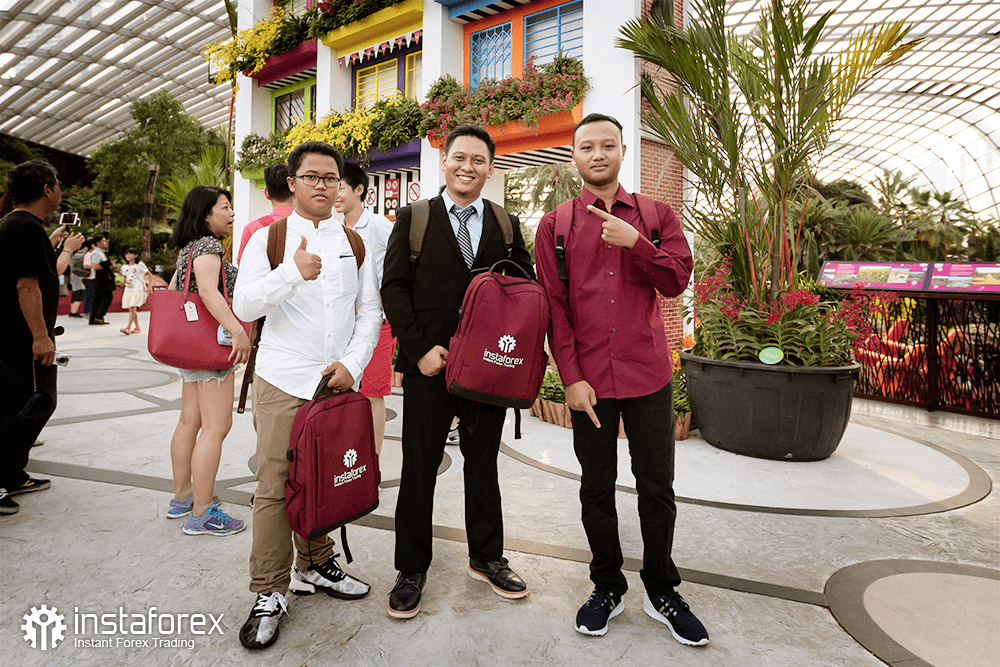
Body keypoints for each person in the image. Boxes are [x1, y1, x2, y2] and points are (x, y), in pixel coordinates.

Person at [534, 114, 708, 645]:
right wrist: (570, 377)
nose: (598, 154)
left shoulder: (656, 215)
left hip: (648, 374)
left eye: (608, 145)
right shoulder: (555, 225)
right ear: (574, 156)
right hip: (590, 381)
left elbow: (677, 281)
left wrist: (637, 243)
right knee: (596, 487)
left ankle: (662, 589)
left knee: (657, 487)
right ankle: (606, 585)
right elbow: (554, 307)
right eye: (587, 147)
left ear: (623, 151)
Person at [381, 124, 535, 619]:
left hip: (487, 371)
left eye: (478, 160)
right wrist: (419, 349)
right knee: (418, 468)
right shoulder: (414, 218)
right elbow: (393, 288)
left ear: (490, 168)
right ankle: (411, 569)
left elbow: (526, 292)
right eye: (459, 158)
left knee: (483, 464)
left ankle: (487, 558)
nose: (468, 167)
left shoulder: (506, 224)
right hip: (429, 368)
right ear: (444, 161)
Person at [233, 141, 382, 650]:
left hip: (333, 382)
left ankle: (316, 564)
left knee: (325, 478)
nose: (322, 185)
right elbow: (244, 303)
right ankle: (269, 590)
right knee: (276, 486)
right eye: (312, 176)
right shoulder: (268, 238)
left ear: (341, 185)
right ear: (292, 182)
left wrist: (353, 364)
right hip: (282, 381)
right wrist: (292, 273)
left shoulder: (354, 242)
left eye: (330, 177)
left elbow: (370, 311)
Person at [0, 160, 84, 515]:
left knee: (33, 401)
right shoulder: (24, 228)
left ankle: (12, 473)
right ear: (47, 190)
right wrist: (40, 337)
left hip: (15, 336)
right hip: (20, 339)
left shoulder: (18, 225)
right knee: (27, 404)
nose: (59, 190)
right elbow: (26, 285)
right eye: (57, 185)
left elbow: (32, 269)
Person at [165, 186, 250, 537]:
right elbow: (208, 292)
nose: (231, 213)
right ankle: (201, 512)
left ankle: (183, 497)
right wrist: (238, 332)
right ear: (205, 215)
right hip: (210, 348)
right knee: (216, 427)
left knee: (189, 422)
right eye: (225, 207)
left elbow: (175, 291)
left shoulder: (189, 248)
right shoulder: (208, 246)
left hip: (190, 348)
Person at [334, 161, 394, 456]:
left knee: (372, 391)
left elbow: (402, 263)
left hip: (377, 321)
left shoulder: (379, 226)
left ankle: (374, 461)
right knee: (345, 389)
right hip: (343, 321)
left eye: (340, 186)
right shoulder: (336, 229)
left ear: (359, 190)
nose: (334, 193)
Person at [236, 163, 296, 264]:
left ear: (266, 192)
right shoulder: (310, 223)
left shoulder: (253, 228)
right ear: (294, 188)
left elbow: (244, 267)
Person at [119, 247, 151, 334]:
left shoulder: (140, 265)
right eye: (126, 254)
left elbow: (149, 274)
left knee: (132, 307)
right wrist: (118, 279)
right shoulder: (124, 267)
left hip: (138, 288)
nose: (128, 255)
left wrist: (149, 286)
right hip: (128, 289)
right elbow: (123, 279)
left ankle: (128, 327)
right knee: (131, 309)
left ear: (136, 255)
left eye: (130, 253)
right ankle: (137, 327)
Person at [87, 234, 114, 325]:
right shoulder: (96, 253)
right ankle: (98, 316)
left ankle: (94, 318)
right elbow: (95, 266)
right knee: (107, 297)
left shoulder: (100, 252)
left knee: (98, 299)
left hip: (101, 278)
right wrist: (107, 264)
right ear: (98, 243)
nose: (105, 242)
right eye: (103, 241)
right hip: (100, 279)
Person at [67, 240, 90, 318]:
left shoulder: (73, 254)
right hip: (77, 276)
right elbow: (85, 255)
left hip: (75, 276)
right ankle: (73, 312)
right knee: (79, 293)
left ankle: (73, 311)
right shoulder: (75, 256)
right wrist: (87, 248)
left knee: (76, 293)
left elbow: (82, 252)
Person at [82, 237, 96, 318]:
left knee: (92, 295)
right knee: (89, 295)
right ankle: (87, 312)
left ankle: (90, 311)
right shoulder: (88, 255)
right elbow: (85, 265)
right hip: (89, 278)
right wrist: (95, 266)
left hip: (92, 277)